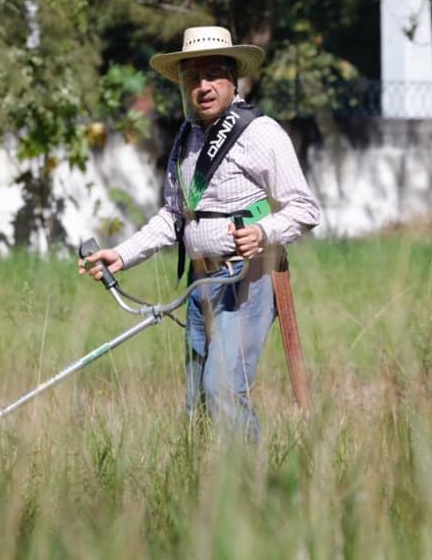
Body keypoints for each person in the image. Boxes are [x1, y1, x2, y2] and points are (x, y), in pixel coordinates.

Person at [79, 25, 320, 440]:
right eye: (193, 77)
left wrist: (263, 232)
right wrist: (122, 254)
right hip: (200, 284)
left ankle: (252, 492)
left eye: (213, 75)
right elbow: (173, 218)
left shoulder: (261, 132)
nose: (203, 86)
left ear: (233, 78)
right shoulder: (186, 138)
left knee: (223, 390)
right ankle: (208, 494)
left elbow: (305, 209)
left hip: (246, 278)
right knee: (198, 403)